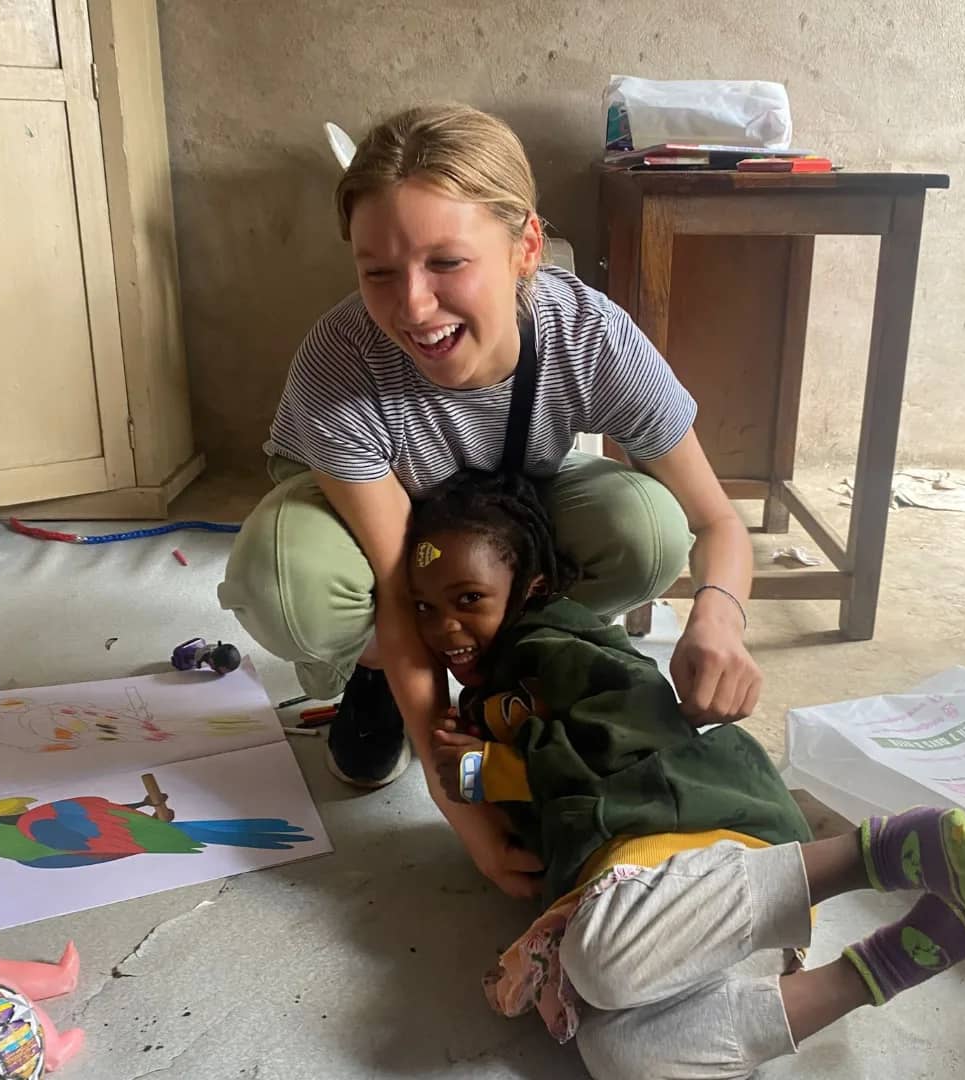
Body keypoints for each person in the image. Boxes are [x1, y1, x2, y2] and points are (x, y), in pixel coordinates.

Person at [220, 103, 762, 898]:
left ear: (525, 247)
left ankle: (526, 657)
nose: (412, 306)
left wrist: (719, 617)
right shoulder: (341, 364)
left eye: (447, 262)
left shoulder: (591, 339)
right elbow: (405, 587)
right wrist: (463, 808)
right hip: (380, 520)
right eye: (378, 272)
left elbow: (717, 519)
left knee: (648, 529)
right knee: (290, 577)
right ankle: (368, 672)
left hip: (502, 502)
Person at [408, 470, 965, 1080]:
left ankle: (873, 855)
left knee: (600, 962)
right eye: (423, 607)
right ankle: (890, 964)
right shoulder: (489, 693)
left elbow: (632, 718)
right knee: (620, 1055)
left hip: (693, 843)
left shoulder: (557, 640)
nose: (444, 628)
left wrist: (499, 769)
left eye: (469, 600)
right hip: (688, 925)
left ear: (529, 588)